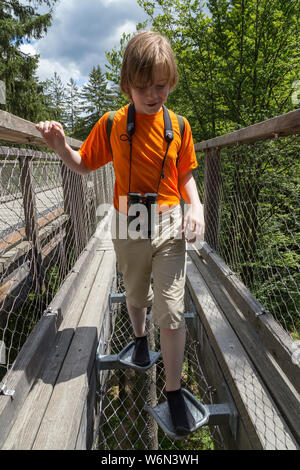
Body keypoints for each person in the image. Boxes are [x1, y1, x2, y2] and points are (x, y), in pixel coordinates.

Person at [36, 31, 205, 436]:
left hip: (167, 221)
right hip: (128, 220)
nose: (152, 94)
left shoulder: (179, 126)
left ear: (171, 82)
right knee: (134, 294)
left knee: (171, 305)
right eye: (143, 86)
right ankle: (140, 337)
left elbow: (186, 175)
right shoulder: (113, 124)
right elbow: (82, 164)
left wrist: (195, 207)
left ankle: (174, 391)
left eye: (161, 85)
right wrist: (61, 146)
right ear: (127, 84)